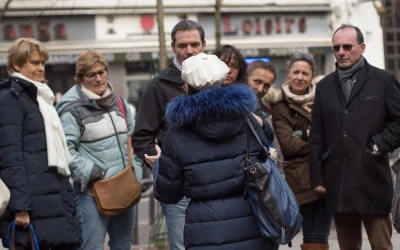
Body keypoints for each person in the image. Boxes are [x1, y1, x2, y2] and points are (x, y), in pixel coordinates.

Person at [153, 52, 279, 250]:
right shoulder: (248, 120)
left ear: (186, 86)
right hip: (251, 223)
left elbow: (168, 194)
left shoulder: (176, 136)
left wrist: (160, 162)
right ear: (223, 82)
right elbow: (264, 158)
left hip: (204, 231)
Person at [309, 24, 400, 250]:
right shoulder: (324, 87)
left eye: (347, 47)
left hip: (372, 176)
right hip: (338, 181)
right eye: (336, 48)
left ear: (362, 47)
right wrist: (317, 177)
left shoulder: (384, 81)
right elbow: (317, 136)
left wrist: (379, 144)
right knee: (348, 247)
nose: (341, 52)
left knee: (381, 245)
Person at [131, 19, 206, 250]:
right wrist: (157, 162)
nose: (189, 50)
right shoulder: (159, 85)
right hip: (178, 184)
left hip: (216, 180)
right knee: (182, 245)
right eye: (183, 45)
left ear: (204, 44)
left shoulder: (216, 79)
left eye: (194, 44)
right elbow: (142, 136)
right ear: (173, 47)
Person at [56, 50, 142, 250]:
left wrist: (136, 167)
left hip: (124, 185)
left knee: (123, 245)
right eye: (91, 75)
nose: (99, 78)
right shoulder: (71, 109)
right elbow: (64, 150)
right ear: (80, 78)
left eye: (102, 72)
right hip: (93, 192)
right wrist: (93, 173)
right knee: (92, 246)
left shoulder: (118, 101)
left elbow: (135, 136)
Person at [0, 37, 81, 249]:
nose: (41, 68)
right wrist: (20, 207)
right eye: (35, 63)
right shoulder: (10, 99)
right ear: (17, 65)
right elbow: (10, 156)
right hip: (33, 205)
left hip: (54, 197)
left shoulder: (41, 97)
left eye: (43, 63)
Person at [270, 52, 331, 250]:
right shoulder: (280, 107)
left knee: (320, 235)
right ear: (288, 73)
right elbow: (288, 145)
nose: (299, 77)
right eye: (296, 71)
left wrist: (302, 134)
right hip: (299, 179)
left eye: (305, 73)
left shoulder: (324, 99)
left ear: (312, 75)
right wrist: (314, 135)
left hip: (326, 173)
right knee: (311, 233)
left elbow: (333, 135)